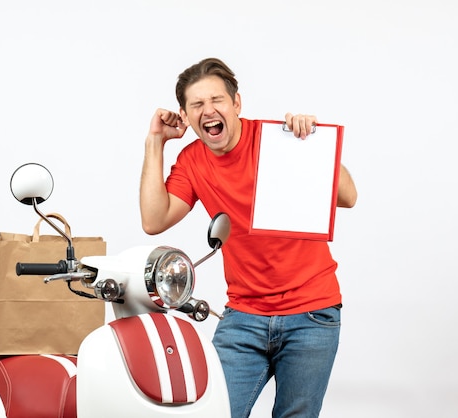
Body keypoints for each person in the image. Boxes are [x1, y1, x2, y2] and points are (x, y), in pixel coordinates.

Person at [139, 57, 357, 418]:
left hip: (312, 313)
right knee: (215, 412)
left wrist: (314, 145)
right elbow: (154, 219)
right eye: (197, 105)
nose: (208, 110)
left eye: (217, 100)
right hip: (244, 316)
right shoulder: (193, 161)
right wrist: (155, 142)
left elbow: (348, 198)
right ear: (186, 115)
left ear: (237, 104)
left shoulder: (280, 141)